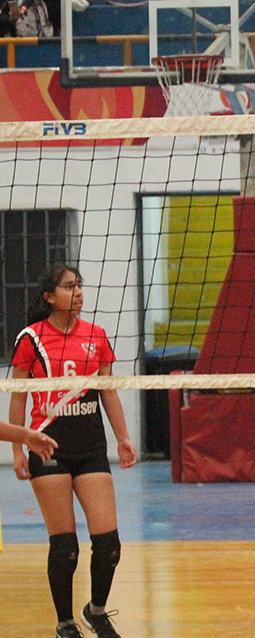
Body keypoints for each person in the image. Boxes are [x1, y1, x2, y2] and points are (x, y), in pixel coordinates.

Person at [10, 264, 137, 638]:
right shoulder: (31, 338)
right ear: (50, 297)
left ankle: (95, 611)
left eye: (79, 285)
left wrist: (123, 437)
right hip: (48, 447)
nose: (78, 292)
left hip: (91, 447)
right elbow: (17, 397)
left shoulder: (96, 335)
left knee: (109, 544)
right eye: (69, 287)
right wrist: (18, 449)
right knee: (65, 547)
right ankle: (65, 624)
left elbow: (108, 391)